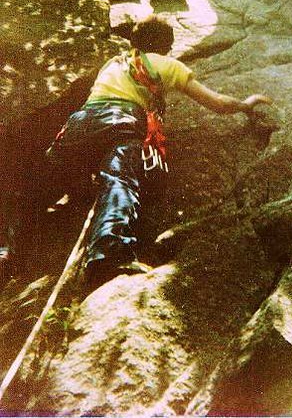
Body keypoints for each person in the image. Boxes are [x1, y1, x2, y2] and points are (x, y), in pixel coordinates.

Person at [45, 15, 271, 287]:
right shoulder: (167, 65)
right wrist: (246, 104)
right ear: (166, 46)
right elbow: (218, 104)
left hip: (80, 124)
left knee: (60, 175)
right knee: (121, 181)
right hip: (122, 122)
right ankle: (107, 253)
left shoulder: (114, 63)